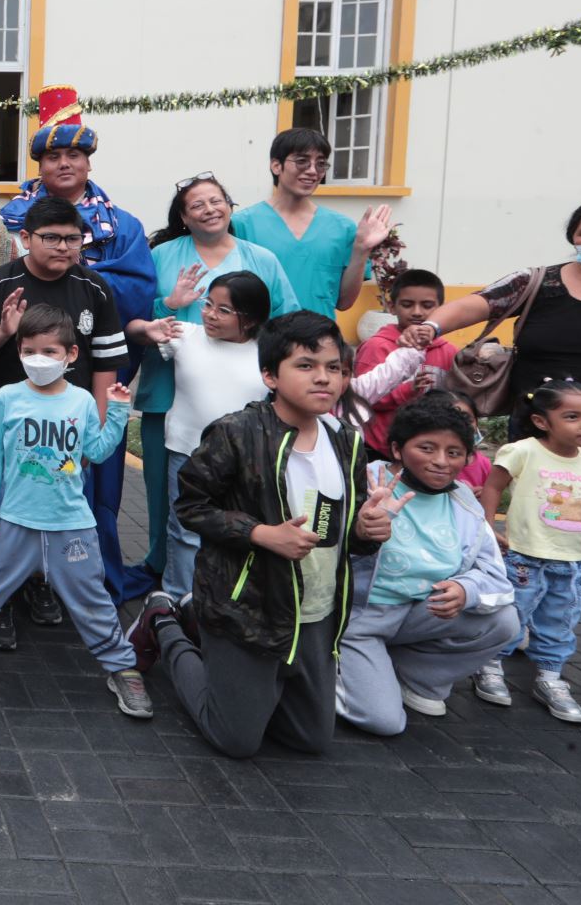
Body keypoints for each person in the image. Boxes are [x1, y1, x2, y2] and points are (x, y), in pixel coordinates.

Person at [403, 195, 581, 688]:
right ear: (573, 238)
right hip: (539, 444)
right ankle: (513, 624)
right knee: (525, 538)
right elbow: (480, 302)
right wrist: (431, 326)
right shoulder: (539, 281)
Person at [126, 311, 397, 759]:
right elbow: (190, 507)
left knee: (311, 740)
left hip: (315, 612)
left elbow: (341, 533)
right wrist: (260, 534)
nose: (324, 379)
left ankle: (247, 681)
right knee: (235, 740)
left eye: (334, 368)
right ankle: (166, 625)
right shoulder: (236, 432)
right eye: (306, 366)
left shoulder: (346, 440)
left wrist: (368, 531)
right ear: (270, 375)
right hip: (247, 608)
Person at [0, 306, 151, 716]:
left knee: (92, 600)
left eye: (50, 351)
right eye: (30, 350)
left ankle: (122, 667)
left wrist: (115, 413)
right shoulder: (7, 397)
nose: (39, 359)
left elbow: (95, 452)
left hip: (71, 524)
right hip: (14, 520)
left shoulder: (79, 401)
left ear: (71, 354)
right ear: (19, 351)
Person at [0, 87, 156, 602]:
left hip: (81, 386)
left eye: (75, 153)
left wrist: (81, 275)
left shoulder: (122, 224)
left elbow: (135, 290)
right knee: (10, 484)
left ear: (88, 159)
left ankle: (77, 581)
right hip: (13, 389)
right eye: (54, 154)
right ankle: (9, 586)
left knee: (82, 487)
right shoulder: (9, 220)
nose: (65, 162)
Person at [0, 198, 151, 647]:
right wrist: (4, 332)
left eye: (72, 239)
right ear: (25, 239)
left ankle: (44, 586)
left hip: (67, 430)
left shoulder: (95, 288)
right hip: (5, 426)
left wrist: (97, 431)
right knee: (0, 512)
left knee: (60, 510)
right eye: (51, 238)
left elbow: (106, 364)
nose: (63, 247)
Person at [132, 172, 300, 576]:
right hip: (170, 392)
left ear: (229, 205)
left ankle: (225, 580)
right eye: (197, 205)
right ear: (184, 217)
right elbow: (135, 316)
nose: (209, 210)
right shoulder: (161, 255)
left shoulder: (261, 259)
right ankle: (164, 570)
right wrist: (168, 303)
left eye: (216, 200)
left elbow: (286, 323)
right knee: (166, 488)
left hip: (239, 395)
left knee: (236, 495)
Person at [335, 395, 519, 735]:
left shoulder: (463, 500)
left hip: (420, 615)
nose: (441, 462)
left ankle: (413, 676)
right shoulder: (361, 481)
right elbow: (324, 542)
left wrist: (466, 589)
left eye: (454, 452)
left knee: (503, 621)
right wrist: (361, 529)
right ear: (396, 449)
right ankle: (323, 669)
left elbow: (495, 576)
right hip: (360, 620)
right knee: (384, 722)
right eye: (426, 448)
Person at [473, 380, 581, 723]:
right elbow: (493, 487)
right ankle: (489, 665)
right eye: (573, 417)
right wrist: (488, 527)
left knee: (562, 620)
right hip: (526, 555)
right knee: (513, 612)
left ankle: (550, 677)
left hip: (574, 560)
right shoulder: (524, 451)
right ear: (542, 421)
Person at [141, 270, 273, 601]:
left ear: (252, 317)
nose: (211, 314)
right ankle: (179, 601)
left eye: (224, 310)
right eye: (208, 304)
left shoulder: (269, 354)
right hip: (187, 454)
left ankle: (224, 601)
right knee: (185, 530)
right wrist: (164, 310)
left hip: (245, 461)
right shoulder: (186, 335)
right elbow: (135, 330)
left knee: (238, 530)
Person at [229, 128, 392, 320]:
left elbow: (344, 302)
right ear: (276, 166)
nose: (313, 171)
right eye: (301, 161)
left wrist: (362, 249)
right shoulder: (242, 225)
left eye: (321, 164)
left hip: (319, 341)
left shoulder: (343, 229)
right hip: (260, 342)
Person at [355, 269, 457, 462]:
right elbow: (361, 398)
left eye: (427, 305)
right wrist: (408, 390)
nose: (417, 312)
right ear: (392, 307)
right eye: (407, 305)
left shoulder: (449, 351)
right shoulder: (376, 347)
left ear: (441, 309)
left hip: (431, 451)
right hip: (380, 449)